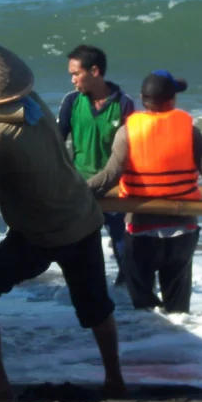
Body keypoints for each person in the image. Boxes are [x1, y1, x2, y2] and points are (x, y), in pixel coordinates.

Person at [0, 39, 128, 402]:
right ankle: (115, 381)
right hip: (80, 218)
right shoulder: (36, 104)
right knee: (96, 308)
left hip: (40, 234)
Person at [87, 71, 202, 314]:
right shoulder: (189, 131)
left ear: (143, 99)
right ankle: (177, 342)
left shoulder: (127, 132)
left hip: (142, 231)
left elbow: (110, 176)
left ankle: (151, 342)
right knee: (178, 309)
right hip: (183, 232)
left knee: (142, 306)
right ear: (172, 101)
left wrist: (76, 193)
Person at [58, 44, 135, 285]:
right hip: (81, 187)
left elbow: (132, 151)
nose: (72, 80)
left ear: (95, 71)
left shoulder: (123, 104)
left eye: (76, 73)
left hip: (114, 188)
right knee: (80, 250)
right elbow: (57, 142)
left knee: (123, 248)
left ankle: (131, 310)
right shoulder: (72, 102)